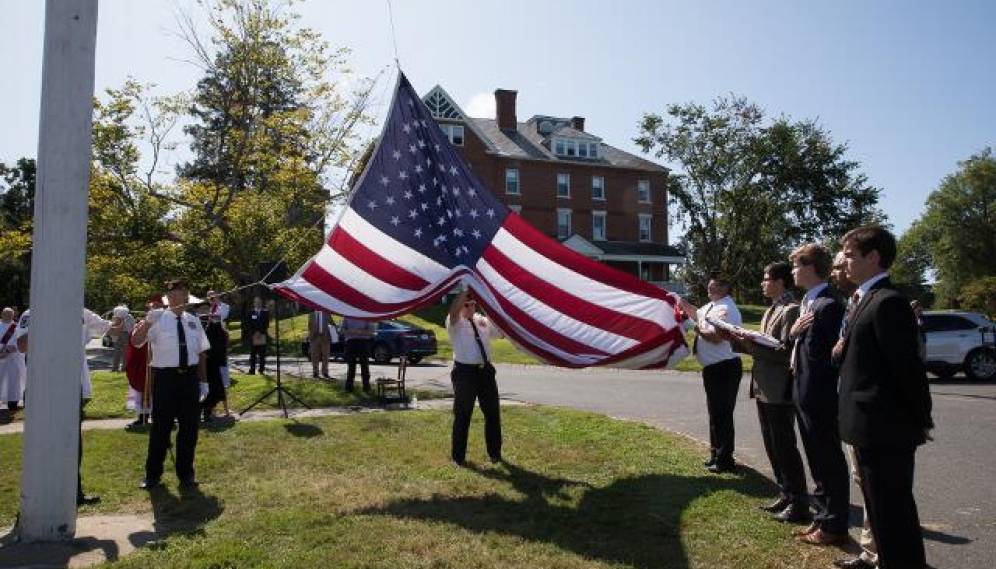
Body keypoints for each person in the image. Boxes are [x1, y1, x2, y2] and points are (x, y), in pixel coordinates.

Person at [837, 226, 934, 569]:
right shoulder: (864, 300)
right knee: (880, 514)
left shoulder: (888, 303)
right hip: (866, 427)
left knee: (893, 516)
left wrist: (922, 418)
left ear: (873, 257)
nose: (843, 262)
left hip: (883, 428)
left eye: (849, 255)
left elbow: (908, 369)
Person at [727, 263, 809, 523]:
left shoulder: (791, 310)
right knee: (772, 445)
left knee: (784, 446)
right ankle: (785, 492)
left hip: (779, 389)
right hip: (764, 386)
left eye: (766, 279)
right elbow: (764, 347)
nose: (762, 283)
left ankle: (799, 501)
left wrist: (749, 344)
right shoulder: (772, 309)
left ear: (781, 282)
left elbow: (786, 352)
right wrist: (736, 338)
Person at [15, 306, 111, 505]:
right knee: (40, 442)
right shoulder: (32, 311)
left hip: (70, 383)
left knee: (72, 441)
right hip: (41, 385)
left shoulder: (78, 309)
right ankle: (37, 495)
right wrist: (48, 323)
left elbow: (104, 329)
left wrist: (120, 320)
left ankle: (74, 492)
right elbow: (22, 345)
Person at [788, 243, 850, 546]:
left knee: (828, 461)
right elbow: (802, 349)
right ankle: (823, 518)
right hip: (803, 392)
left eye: (796, 265)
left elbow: (835, 358)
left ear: (811, 267)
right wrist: (793, 334)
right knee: (816, 460)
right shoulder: (808, 304)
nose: (792, 271)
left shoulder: (829, 305)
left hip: (821, 397)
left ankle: (835, 525)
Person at [131, 278, 211, 490]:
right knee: (161, 428)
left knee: (189, 428)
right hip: (166, 378)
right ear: (168, 298)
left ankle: (186, 475)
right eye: (174, 294)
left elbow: (202, 352)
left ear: (187, 296)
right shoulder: (157, 319)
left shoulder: (193, 321)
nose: (178, 297)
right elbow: (136, 341)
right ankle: (152, 474)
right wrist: (148, 321)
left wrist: (204, 382)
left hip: (189, 379)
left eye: (182, 293)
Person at [677, 277, 743, 473]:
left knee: (722, 414)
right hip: (714, 368)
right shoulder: (712, 305)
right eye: (710, 283)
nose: (710, 286)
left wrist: (692, 327)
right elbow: (696, 313)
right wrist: (679, 301)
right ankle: (716, 454)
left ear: (726, 287)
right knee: (715, 414)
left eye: (715, 284)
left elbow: (715, 338)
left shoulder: (726, 309)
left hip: (724, 367)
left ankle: (725, 460)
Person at [446, 289, 505, 465]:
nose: (471, 307)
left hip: (485, 371)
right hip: (465, 373)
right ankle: (458, 457)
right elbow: (454, 310)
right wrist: (465, 291)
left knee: (492, 413)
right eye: (467, 304)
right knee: (463, 415)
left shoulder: (482, 321)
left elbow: (500, 333)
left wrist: (488, 304)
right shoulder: (454, 322)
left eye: (473, 304)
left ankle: (495, 453)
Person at [124, 295, 164, 429]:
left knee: (161, 389)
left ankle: (162, 416)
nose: (155, 309)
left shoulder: (168, 321)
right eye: (153, 306)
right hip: (144, 361)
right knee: (143, 389)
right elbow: (135, 340)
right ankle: (143, 417)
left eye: (158, 306)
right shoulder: (143, 322)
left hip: (162, 361)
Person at [198, 303, 230, 422]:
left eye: (206, 308)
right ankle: (196, 413)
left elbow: (221, 341)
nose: (204, 311)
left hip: (211, 362)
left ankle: (208, 413)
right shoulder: (192, 324)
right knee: (197, 388)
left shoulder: (215, 324)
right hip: (196, 364)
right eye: (202, 308)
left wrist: (209, 353)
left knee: (212, 389)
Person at [0, 307, 26, 417]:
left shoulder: (16, 327)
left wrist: (11, 349)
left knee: (13, 381)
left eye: (10, 314)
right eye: (6, 314)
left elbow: (21, 342)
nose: (8, 316)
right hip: (1, 357)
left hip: (13, 359)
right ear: (1, 314)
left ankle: (13, 402)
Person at [341, 316, 376, 392]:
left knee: (364, 366)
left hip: (363, 342)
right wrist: (351, 331)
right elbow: (342, 330)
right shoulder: (347, 316)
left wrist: (359, 331)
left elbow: (372, 330)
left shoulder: (365, 315)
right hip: (351, 342)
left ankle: (366, 387)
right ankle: (349, 388)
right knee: (351, 366)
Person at [242, 296, 270, 375]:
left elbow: (267, 324)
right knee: (253, 354)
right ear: (254, 303)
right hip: (253, 336)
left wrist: (260, 332)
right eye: (256, 302)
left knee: (262, 354)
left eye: (259, 302)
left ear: (261, 303)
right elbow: (248, 324)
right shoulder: (250, 312)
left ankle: (261, 370)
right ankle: (252, 370)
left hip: (262, 336)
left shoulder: (265, 312)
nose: (258, 303)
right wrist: (255, 332)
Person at [107, 304, 135, 372]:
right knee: (124, 352)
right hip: (125, 334)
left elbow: (112, 325)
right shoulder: (129, 316)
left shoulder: (115, 316)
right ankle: (123, 368)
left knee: (117, 352)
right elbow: (132, 326)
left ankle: (115, 368)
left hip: (119, 334)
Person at [308, 309, 333, 378]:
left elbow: (332, 324)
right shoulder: (311, 315)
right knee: (314, 356)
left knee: (326, 356)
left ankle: (325, 372)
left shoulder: (327, 314)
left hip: (325, 338)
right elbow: (309, 326)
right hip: (314, 338)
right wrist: (312, 335)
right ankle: (315, 372)